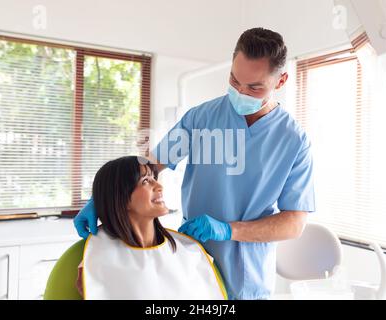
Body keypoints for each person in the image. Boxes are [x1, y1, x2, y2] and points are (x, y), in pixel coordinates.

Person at [74, 28, 315, 300]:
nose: (240, 92)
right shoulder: (202, 118)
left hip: (246, 275)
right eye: (234, 80)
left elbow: (294, 222)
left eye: (254, 87)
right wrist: (103, 196)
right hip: (189, 259)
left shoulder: (293, 140)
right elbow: (151, 164)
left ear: (281, 81)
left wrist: (228, 230)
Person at [76, 156, 226, 300]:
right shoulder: (98, 258)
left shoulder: (188, 251)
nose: (159, 186)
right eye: (146, 181)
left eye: (155, 178)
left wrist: (230, 230)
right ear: (120, 197)